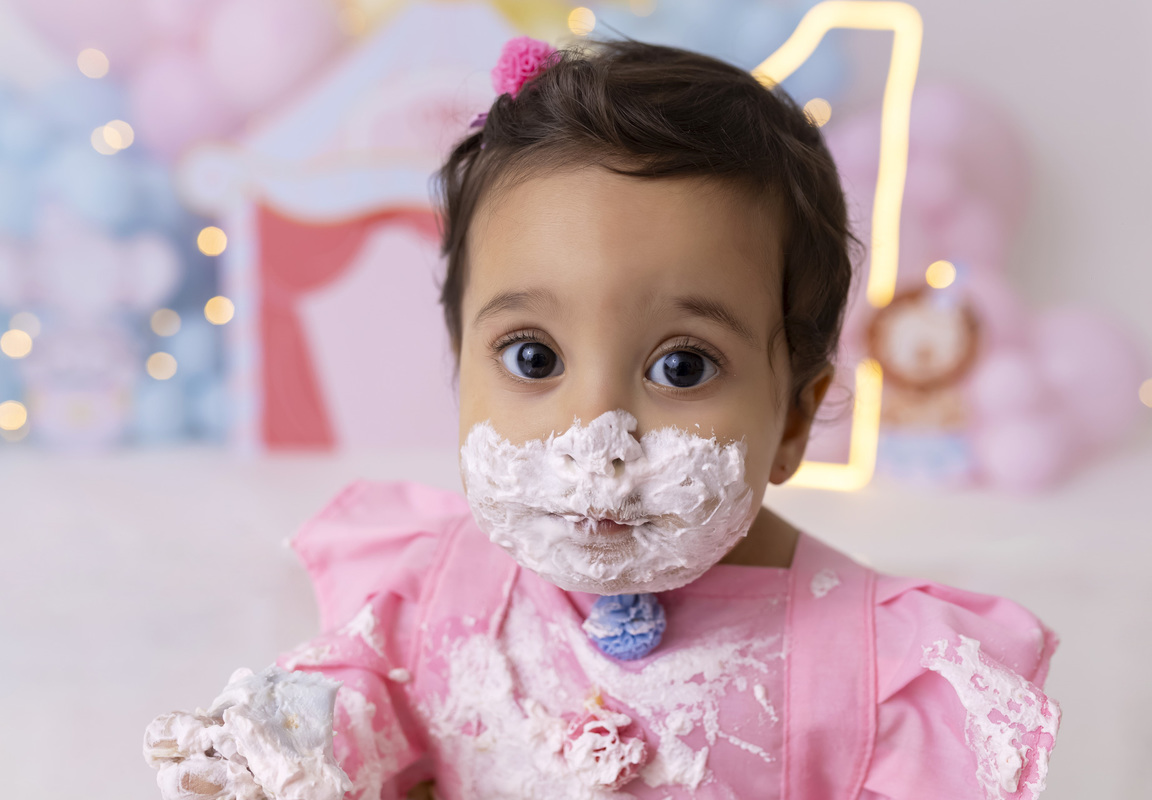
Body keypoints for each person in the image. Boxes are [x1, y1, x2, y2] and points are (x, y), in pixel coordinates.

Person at [145, 35, 1061, 800]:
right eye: (533, 357)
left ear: (792, 420)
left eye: (682, 365)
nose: (594, 435)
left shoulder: (875, 672)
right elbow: (364, 715)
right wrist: (288, 749)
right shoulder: (434, 591)